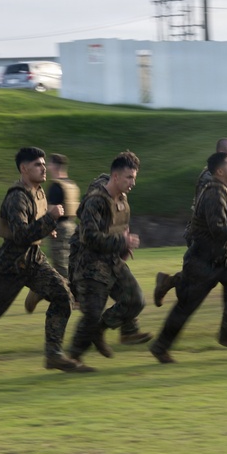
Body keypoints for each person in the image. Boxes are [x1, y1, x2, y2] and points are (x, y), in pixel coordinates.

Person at [0, 147, 89, 378]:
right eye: (37, 165)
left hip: (33, 259)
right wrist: (50, 218)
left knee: (63, 296)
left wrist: (48, 228)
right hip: (10, 265)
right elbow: (21, 234)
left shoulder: (39, 192)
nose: (43, 168)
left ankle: (53, 354)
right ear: (24, 169)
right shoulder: (17, 197)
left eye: (44, 164)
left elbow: (35, 226)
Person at [150, 151, 227, 364]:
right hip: (203, 260)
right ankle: (159, 347)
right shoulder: (213, 194)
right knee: (186, 306)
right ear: (219, 171)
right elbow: (217, 230)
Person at [66, 152, 150, 366]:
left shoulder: (122, 201)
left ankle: (100, 330)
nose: (133, 183)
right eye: (129, 177)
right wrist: (122, 242)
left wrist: (124, 247)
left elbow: (119, 230)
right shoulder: (96, 201)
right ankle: (73, 358)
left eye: (134, 177)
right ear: (115, 176)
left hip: (113, 262)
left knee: (136, 300)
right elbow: (88, 237)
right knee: (91, 314)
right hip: (91, 265)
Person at [25, 153, 81, 313]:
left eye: (48, 164)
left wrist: (43, 229)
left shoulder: (55, 186)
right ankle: (70, 297)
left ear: (55, 166)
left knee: (62, 266)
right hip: (71, 227)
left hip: (60, 228)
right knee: (64, 266)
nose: (46, 168)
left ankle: (39, 292)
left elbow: (49, 211)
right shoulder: (72, 185)